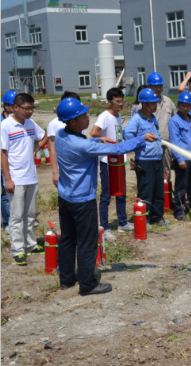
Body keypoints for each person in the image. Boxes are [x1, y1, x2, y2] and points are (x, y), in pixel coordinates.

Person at [55, 97, 157, 295]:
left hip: (66, 197)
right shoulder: (82, 146)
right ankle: (87, 284)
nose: (87, 118)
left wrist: (95, 139)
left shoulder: (61, 134)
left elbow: (84, 144)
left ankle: (66, 279)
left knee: (68, 238)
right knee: (87, 241)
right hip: (82, 200)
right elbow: (116, 148)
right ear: (73, 121)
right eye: (83, 116)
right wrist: (141, 139)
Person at [1, 93, 48, 265]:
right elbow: (3, 154)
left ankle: (30, 244)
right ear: (15, 108)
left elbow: (44, 136)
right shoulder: (6, 126)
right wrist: (7, 179)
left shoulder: (30, 124)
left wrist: (35, 148)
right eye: (26, 108)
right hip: (16, 177)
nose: (30, 112)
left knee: (29, 214)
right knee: (16, 215)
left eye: (32, 108)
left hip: (31, 176)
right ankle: (18, 249)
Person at [90, 88, 134, 241]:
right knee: (106, 195)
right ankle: (105, 227)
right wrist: (104, 138)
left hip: (119, 159)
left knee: (121, 192)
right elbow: (93, 132)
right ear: (109, 102)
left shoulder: (118, 115)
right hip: (107, 161)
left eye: (122, 100)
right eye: (118, 101)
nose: (121, 104)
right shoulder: (105, 116)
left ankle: (122, 223)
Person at [123, 88, 166, 225]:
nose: (155, 105)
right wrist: (142, 140)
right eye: (152, 103)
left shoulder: (153, 118)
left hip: (157, 158)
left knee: (158, 190)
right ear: (144, 104)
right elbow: (127, 135)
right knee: (146, 191)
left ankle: (157, 217)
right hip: (145, 160)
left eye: (156, 102)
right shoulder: (137, 119)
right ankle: (144, 218)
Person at [169, 92, 191, 220]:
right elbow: (175, 142)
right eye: (183, 105)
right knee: (181, 187)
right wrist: (180, 158)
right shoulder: (174, 121)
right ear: (178, 105)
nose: (185, 108)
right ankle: (180, 210)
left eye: (188, 106)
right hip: (183, 161)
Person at [143, 72, 177, 196]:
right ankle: (153, 196)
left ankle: (166, 197)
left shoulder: (168, 101)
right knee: (151, 172)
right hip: (151, 146)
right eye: (155, 86)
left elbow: (175, 119)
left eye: (160, 86)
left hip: (166, 144)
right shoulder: (144, 104)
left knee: (166, 171)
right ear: (149, 86)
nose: (158, 89)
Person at [46, 92, 81, 188]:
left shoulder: (79, 122)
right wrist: (55, 173)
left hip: (78, 169)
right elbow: (52, 149)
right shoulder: (54, 124)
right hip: (63, 170)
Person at [1, 90, 17, 235]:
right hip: (4, 161)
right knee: (6, 192)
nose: (16, 108)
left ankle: (18, 219)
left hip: (17, 164)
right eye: (14, 105)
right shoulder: (2, 123)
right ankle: (7, 222)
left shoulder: (19, 121)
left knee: (19, 191)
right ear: (6, 106)